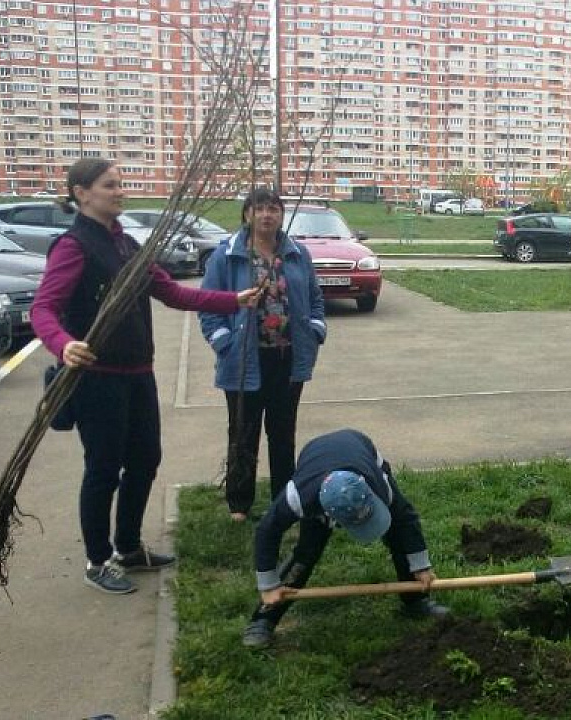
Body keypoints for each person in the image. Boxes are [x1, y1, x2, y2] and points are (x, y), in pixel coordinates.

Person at [32, 158, 263, 595]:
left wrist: (234, 300)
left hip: (138, 374)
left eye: (120, 184)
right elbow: (43, 308)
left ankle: (129, 547)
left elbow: (171, 292)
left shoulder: (128, 245)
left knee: (144, 461)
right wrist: (63, 344)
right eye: (110, 185)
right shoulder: (73, 246)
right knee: (103, 469)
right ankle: (98, 560)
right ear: (81, 193)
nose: (120, 191)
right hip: (97, 378)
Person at [243, 428, 449, 649]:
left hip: (359, 447)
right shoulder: (299, 497)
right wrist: (268, 586)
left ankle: (415, 599)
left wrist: (420, 565)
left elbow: (406, 518)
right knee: (306, 554)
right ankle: (264, 618)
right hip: (315, 459)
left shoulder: (380, 486)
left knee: (398, 533)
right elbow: (267, 531)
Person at [199, 188, 326, 522]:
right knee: (243, 431)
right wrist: (223, 342)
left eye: (273, 209)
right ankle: (239, 503)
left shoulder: (296, 253)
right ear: (247, 214)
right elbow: (208, 305)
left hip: (287, 358)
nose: (267, 215)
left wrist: (315, 329)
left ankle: (284, 501)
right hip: (244, 360)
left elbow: (315, 297)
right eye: (260, 209)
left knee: (283, 433)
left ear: (282, 215)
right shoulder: (227, 255)